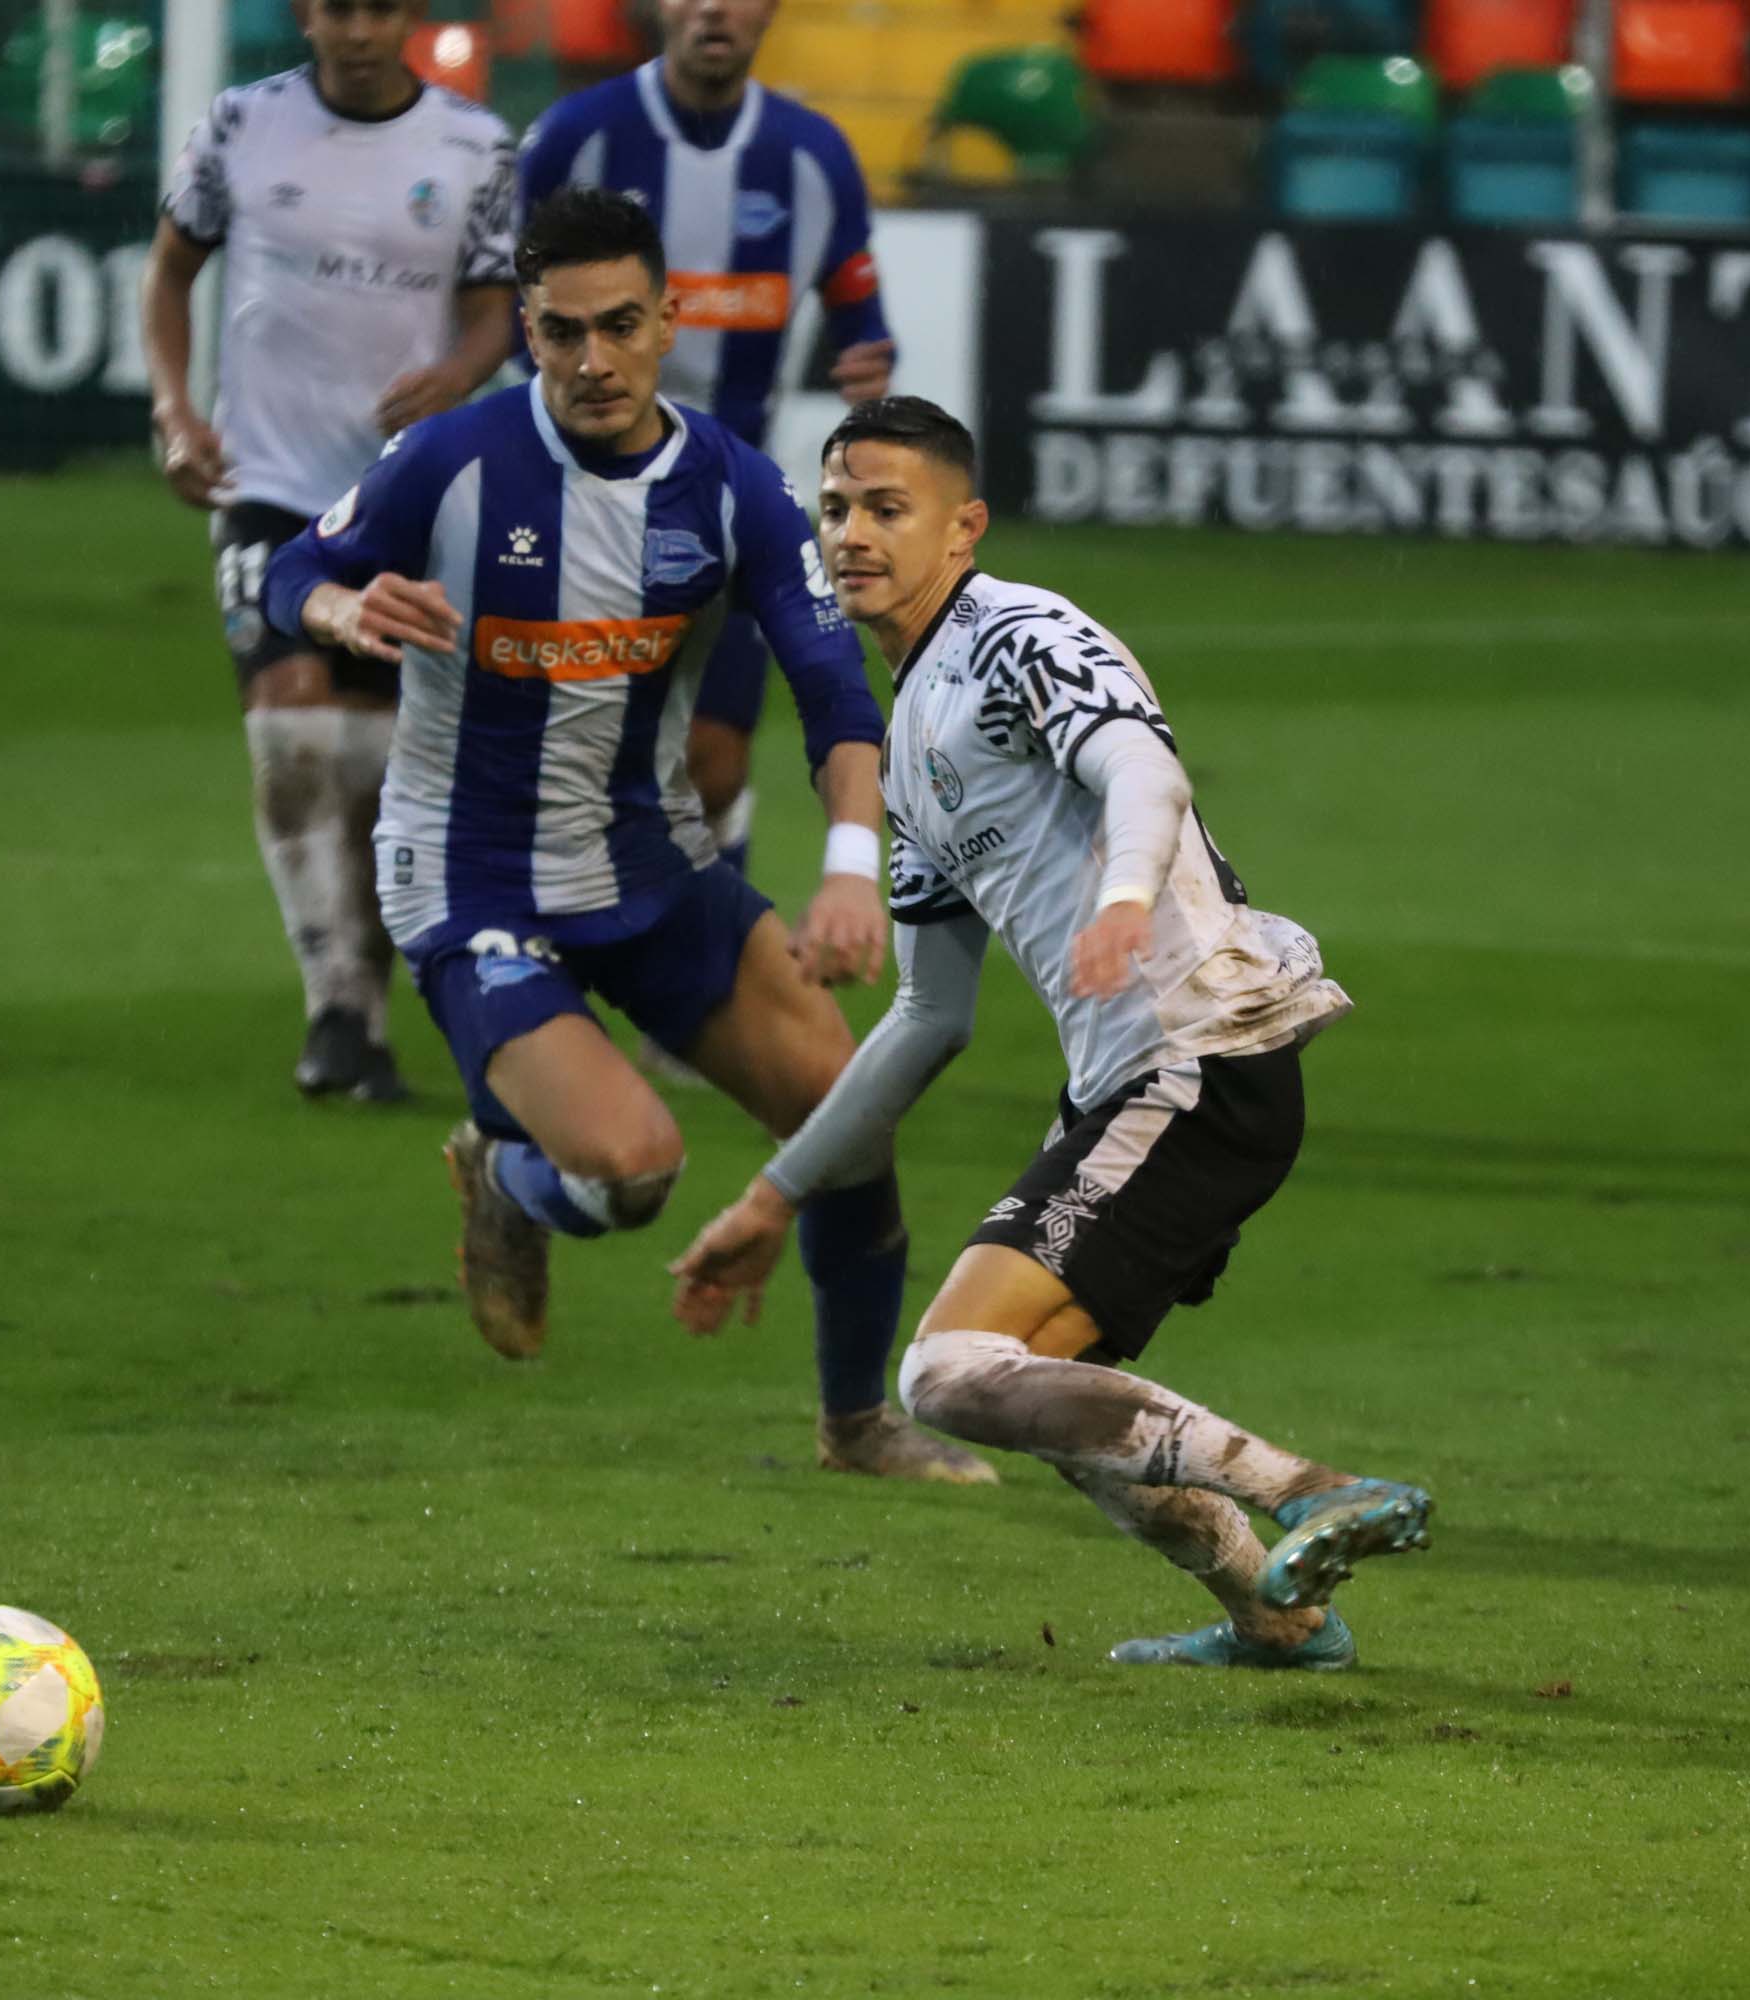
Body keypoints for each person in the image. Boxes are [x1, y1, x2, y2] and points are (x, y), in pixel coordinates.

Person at [667, 398, 1433, 1667]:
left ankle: (1309, 1487)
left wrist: (1127, 894)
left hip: (1196, 1051)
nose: (853, 532)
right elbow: (929, 1014)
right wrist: (772, 1197)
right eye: (838, 507)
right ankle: (1280, 1616)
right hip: (1133, 1078)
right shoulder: (906, 746)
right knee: (1025, 1383)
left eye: (887, 508)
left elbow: (1143, 769)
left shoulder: (1021, 631)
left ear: (963, 526)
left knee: (949, 1374)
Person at [259, 190, 991, 1485]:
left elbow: (833, 691)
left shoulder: (732, 489)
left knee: (848, 1122)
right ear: (527, 335)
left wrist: (844, 873)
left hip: (651, 869)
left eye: (616, 326)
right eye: (557, 333)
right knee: (636, 1169)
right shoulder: (451, 461)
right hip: (471, 877)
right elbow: (287, 571)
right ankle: (510, 1178)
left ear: (670, 320)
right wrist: (338, 608)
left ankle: (858, 1426)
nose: (591, 361)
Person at [143, 0, 521, 1104]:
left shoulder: (474, 148)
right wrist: (174, 413)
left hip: (406, 500)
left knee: (375, 772)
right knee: (293, 738)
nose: (358, 32)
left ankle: (369, 992)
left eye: (380, 9)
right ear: (307, 14)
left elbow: (498, 310)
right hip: (265, 486)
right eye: (337, 8)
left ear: (410, 16)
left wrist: (456, 376)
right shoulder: (237, 126)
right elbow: (170, 271)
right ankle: (337, 1009)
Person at [518, 0, 895, 898]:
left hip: (729, 500)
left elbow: (861, 320)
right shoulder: (577, 137)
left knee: (714, 762)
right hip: (577, 497)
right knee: (565, 761)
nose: (714, 9)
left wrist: (867, 367)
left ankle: (710, 976)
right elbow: (509, 309)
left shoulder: (813, 156)